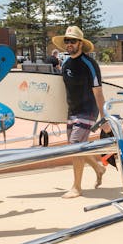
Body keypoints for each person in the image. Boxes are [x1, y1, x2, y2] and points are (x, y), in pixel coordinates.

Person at [51, 26, 111, 199]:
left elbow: (98, 92)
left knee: (75, 145)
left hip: (87, 111)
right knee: (75, 147)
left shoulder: (89, 64)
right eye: (67, 41)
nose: (69, 44)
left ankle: (77, 187)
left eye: (73, 41)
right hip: (72, 111)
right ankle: (98, 168)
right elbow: (64, 92)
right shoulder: (66, 64)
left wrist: (104, 118)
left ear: (80, 43)